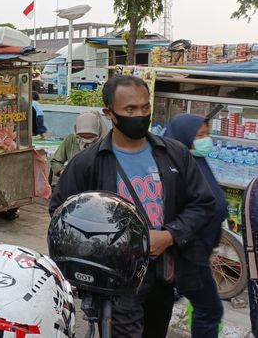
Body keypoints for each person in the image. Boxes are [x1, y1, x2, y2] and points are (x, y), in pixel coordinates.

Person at [49, 75, 215, 338]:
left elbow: (203, 204)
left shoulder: (174, 154)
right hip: (115, 284)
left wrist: (170, 234)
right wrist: (98, 249)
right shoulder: (88, 162)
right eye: (130, 110)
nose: (140, 115)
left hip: (162, 275)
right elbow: (61, 212)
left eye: (144, 108)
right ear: (109, 114)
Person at [164, 113, 228, 338]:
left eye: (207, 134)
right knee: (209, 310)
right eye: (199, 135)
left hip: (198, 252)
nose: (205, 139)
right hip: (189, 254)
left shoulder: (196, 162)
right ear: (183, 137)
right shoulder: (176, 168)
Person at [50, 111, 107, 184]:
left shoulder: (105, 143)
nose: (86, 139)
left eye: (91, 136)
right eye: (82, 135)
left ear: (98, 129)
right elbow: (56, 161)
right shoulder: (71, 140)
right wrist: (63, 172)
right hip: (73, 183)